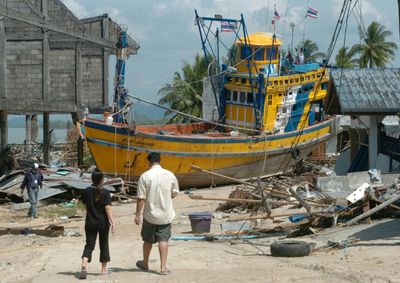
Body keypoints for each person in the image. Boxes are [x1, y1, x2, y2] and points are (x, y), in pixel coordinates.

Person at [134, 152, 179, 275]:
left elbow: (141, 198)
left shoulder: (145, 176)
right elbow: (175, 192)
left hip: (150, 215)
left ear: (149, 162)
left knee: (147, 240)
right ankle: (163, 267)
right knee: (163, 240)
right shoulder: (170, 175)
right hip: (166, 214)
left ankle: (145, 263)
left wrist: (137, 214)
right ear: (160, 161)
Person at [80, 168, 116, 280]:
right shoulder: (105, 192)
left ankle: (84, 264)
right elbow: (108, 208)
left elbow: (85, 206)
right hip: (103, 223)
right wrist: (113, 222)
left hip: (90, 222)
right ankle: (104, 269)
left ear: (92, 178)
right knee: (104, 244)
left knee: (89, 244)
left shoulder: (86, 191)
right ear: (102, 179)